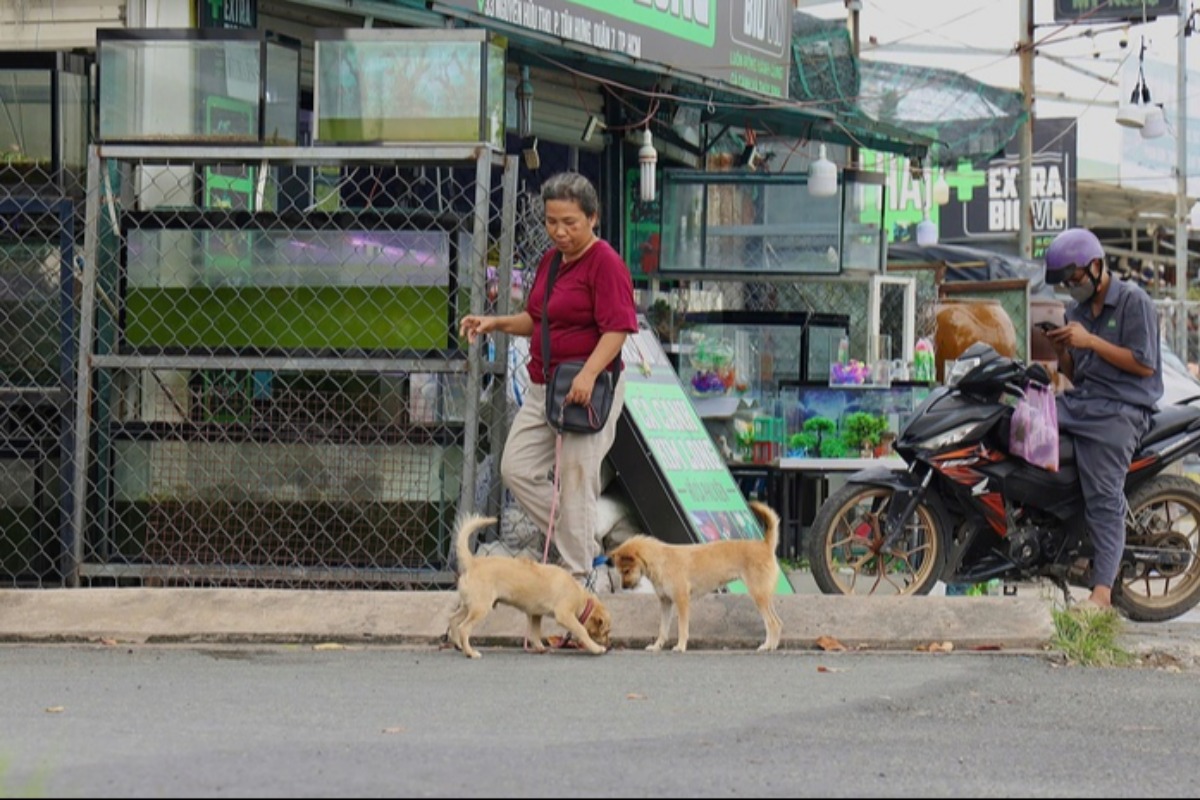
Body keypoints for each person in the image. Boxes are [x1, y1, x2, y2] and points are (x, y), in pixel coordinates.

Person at [459, 172, 637, 589]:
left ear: (593, 218)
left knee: (577, 476)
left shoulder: (605, 262)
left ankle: (579, 583)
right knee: (515, 467)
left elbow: (618, 329)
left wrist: (590, 374)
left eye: (570, 222)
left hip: (587, 389)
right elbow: (537, 319)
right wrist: (495, 322)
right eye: (552, 221)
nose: (559, 231)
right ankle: (582, 532)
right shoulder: (551, 262)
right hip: (545, 387)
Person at [1042, 227, 1163, 612]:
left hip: (1121, 410)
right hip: (1084, 402)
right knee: (1025, 428)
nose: (1071, 288)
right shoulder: (1075, 312)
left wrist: (1090, 341)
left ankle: (1101, 594)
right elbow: (1076, 375)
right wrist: (1063, 352)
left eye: (1074, 279)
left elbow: (1144, 365)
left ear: (1096, 267)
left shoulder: (1133, 301)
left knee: (1104, 496)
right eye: (1065, 283)